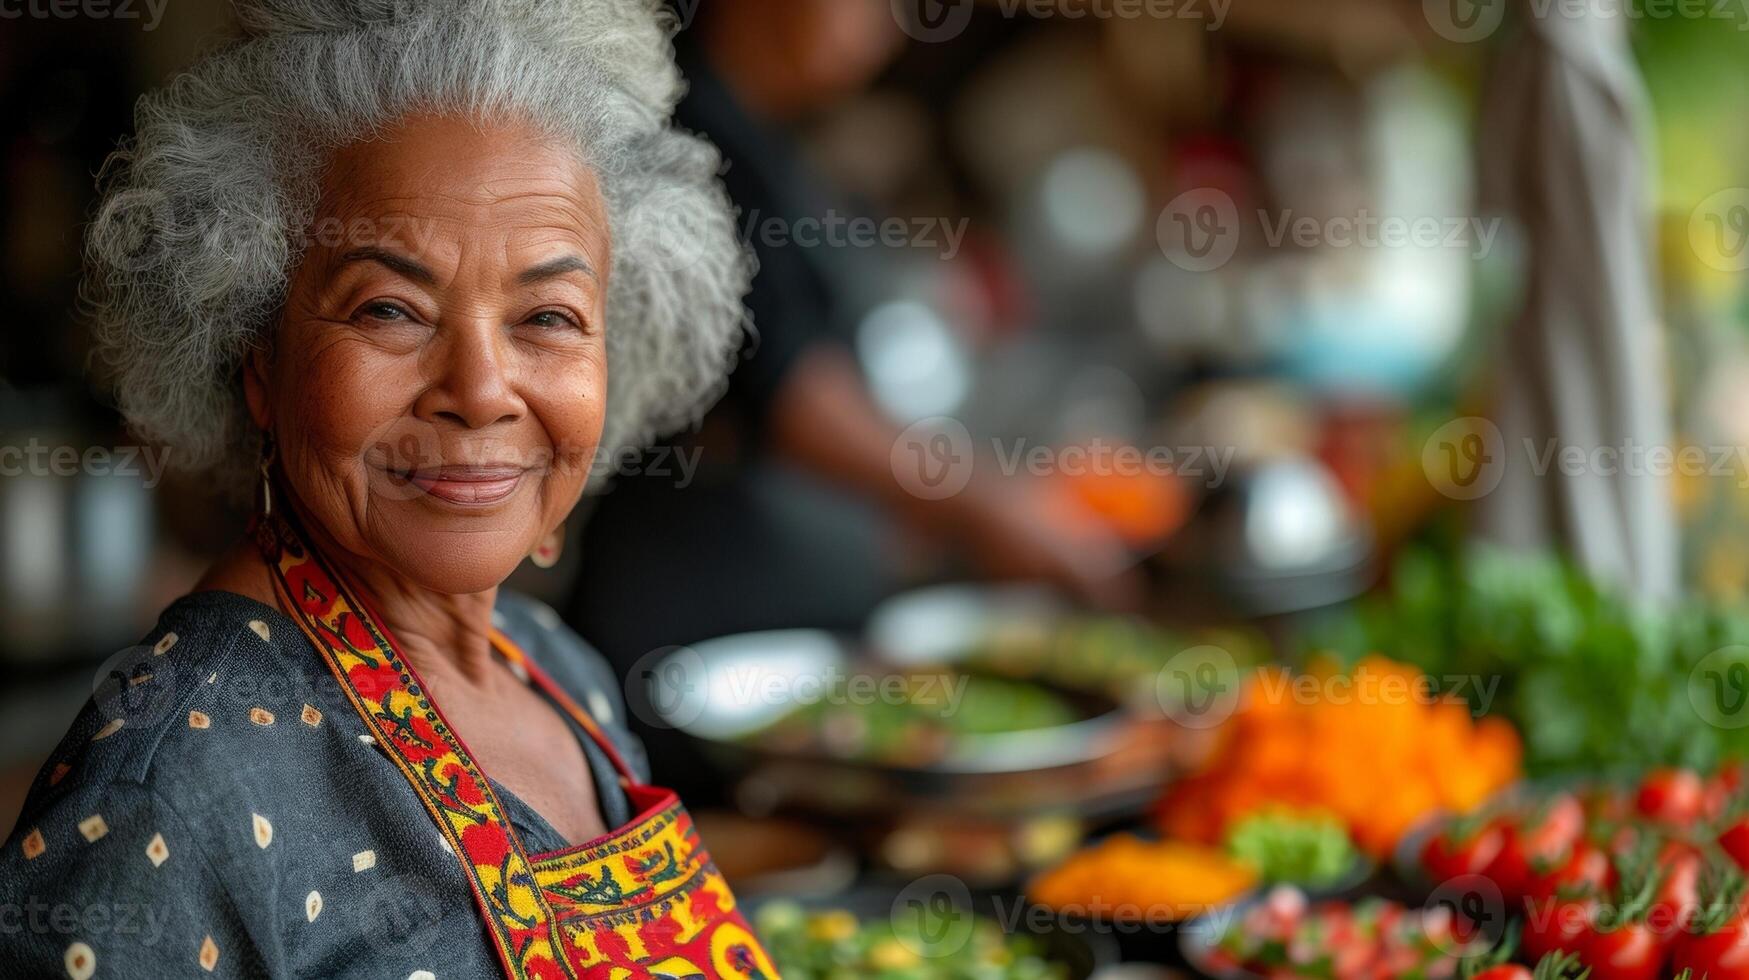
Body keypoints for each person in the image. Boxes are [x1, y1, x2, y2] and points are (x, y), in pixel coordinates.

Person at [0, 1, 776, 977]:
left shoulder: (559, 671)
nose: (482, 388)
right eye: (391, 308)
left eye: (548, 314)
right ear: (257, 355)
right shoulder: (169, 789)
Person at [570, 0, 1142, 686]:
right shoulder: (684, 130)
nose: (886, 27)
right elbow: (791, 395)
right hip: (695, 629)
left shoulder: (772, 142)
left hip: (779, 617)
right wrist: (987, 506)